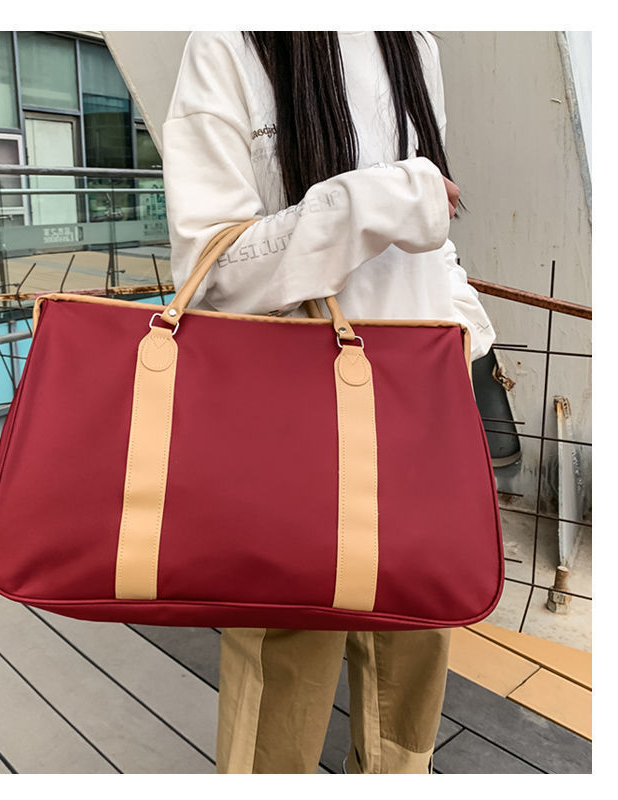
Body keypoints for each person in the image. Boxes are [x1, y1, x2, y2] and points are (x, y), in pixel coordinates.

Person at [160, 30, 496, 775]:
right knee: (285, 657)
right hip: (290, 423)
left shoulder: (414, 43)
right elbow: (214, 272)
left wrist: (461, 328)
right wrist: (378, 197)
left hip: (415, 407)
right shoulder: (231, 41)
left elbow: (433, 239)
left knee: (414, 647)